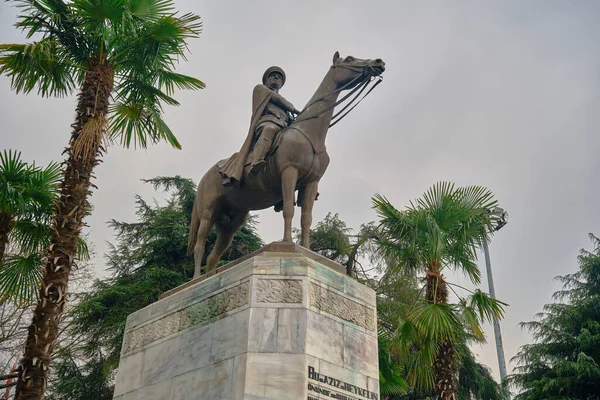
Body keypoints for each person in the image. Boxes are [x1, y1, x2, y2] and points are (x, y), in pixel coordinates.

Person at [219, 66, 300, 186]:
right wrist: (295, 109)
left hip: (283, 127)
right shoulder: (261, 89)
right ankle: (256, 162)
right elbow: (277, 99)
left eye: (279, 77)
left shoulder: (285, 110)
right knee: (269, 130)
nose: (277, 77)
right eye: (273, 75)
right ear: (266, 80)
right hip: (267, 123)